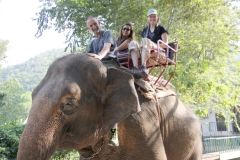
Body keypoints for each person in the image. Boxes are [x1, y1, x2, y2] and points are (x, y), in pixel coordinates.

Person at [86, 16, 119, 146]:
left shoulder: (107, 34)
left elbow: (106, 48)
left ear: (99, 23)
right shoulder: (92, 43)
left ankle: (113, 134)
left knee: (109, 99)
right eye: (91, 26)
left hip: (110, 66)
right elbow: (87, 57)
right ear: (89, 28)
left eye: (95, 24)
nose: (94, 27)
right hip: (97, 69)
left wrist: (99, 56)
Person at [128, 9, 168, 79]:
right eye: (150, 16)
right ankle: (136, 68)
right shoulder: (145, 30)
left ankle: (143, 66)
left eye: (154, 16)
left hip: (158, 49)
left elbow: (165, 44)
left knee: (146, 41)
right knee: (133, 43)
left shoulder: (161, 29)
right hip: (147, 49)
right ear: (148, 18)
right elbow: (144, 45)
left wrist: (152, 45)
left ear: (157, 18)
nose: (152, 18)